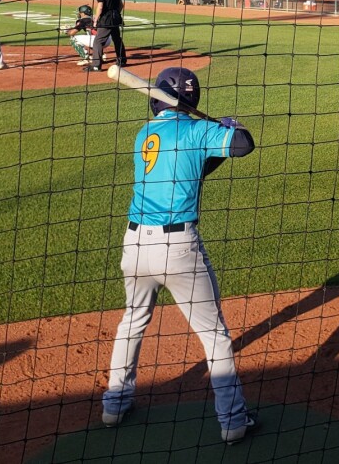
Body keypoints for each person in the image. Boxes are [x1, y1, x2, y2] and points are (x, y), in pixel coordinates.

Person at [102, 67, 258, 445]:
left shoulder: (145, 134)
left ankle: (115, 403)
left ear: (157, 98)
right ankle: (233, 420)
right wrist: (230, 126)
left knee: (132, 322)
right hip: (178, 250)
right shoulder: (198, 131)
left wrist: (216, 134)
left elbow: (197, 171)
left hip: (135, 246)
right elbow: (243, 145)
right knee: (215, 335)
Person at [91, 0, 127, 72]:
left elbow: (100, 6)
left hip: (106, 18)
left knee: (98, 41)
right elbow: (121, 4)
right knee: (117, 39)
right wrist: (116, 13)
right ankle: (122, 60)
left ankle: (96, 65)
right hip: (115, 17)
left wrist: (96, 19)